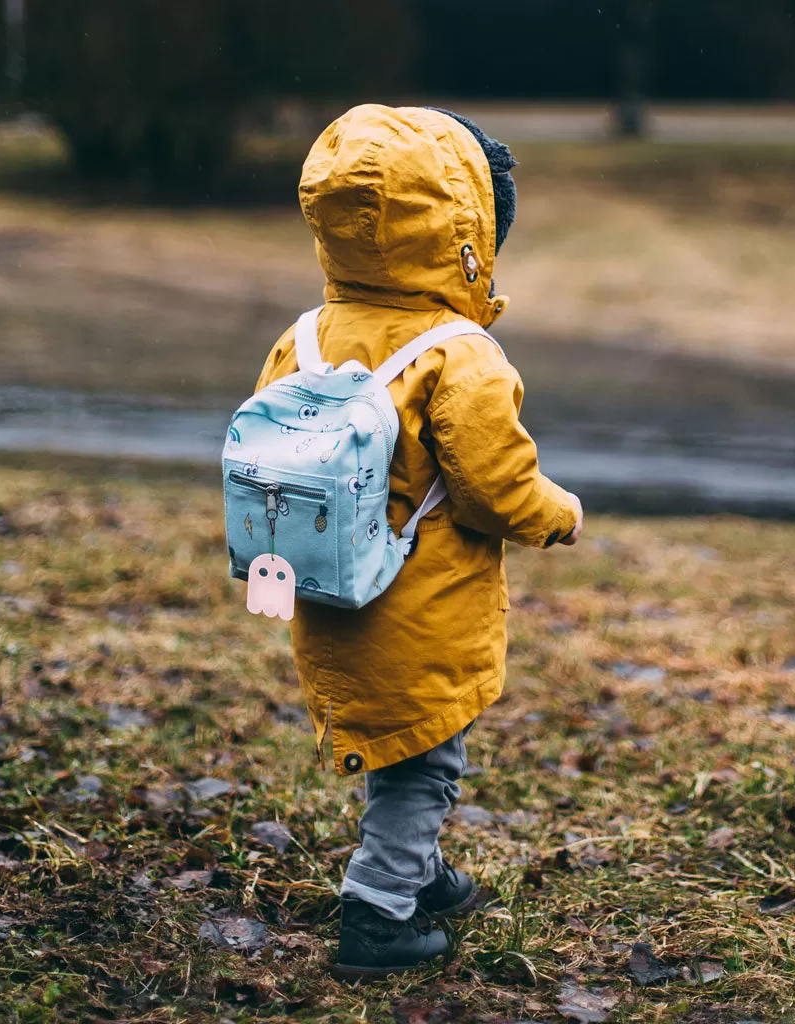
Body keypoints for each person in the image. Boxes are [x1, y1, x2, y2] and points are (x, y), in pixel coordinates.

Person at [254, 104, 583, 980]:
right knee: (426, 761)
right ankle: (379, 910)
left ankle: (421, 872)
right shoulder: (458, 354)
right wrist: (558, 512)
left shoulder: (307, 338)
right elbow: (494, 486)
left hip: (326, 595)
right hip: (419, 604)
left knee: (401, 743)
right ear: (466, 232)